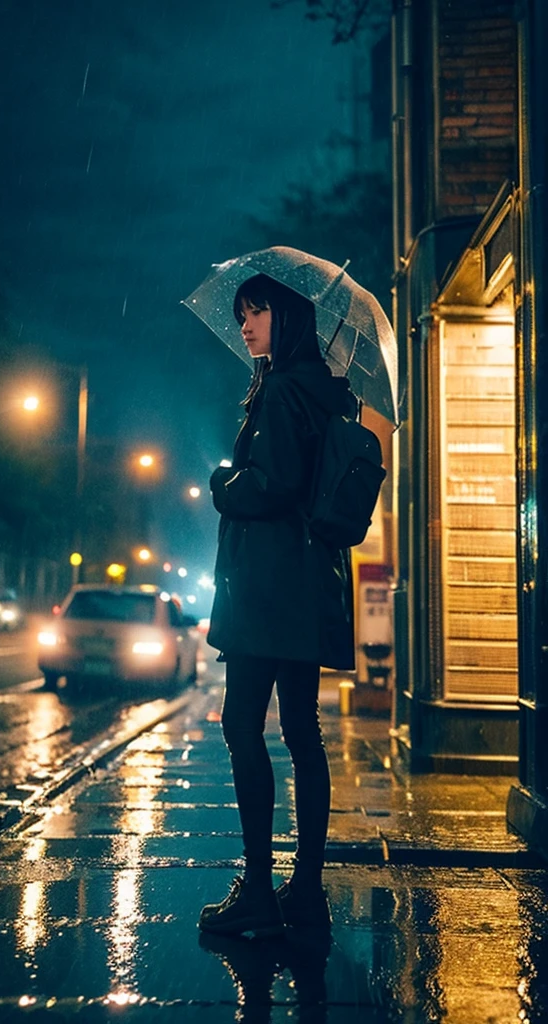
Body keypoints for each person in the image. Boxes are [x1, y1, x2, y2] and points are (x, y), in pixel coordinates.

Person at [199, 274, 356, 938]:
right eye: (241, 315)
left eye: (257, 310)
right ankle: (306, 890)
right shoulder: (321, 392)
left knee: (242, 726)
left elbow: (273, 484)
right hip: (303, 586)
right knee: (300, 733)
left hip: (266, 590)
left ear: (288, 315)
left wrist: (222, 483)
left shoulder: (284, 389)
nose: (246, 324)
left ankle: (262, 888)